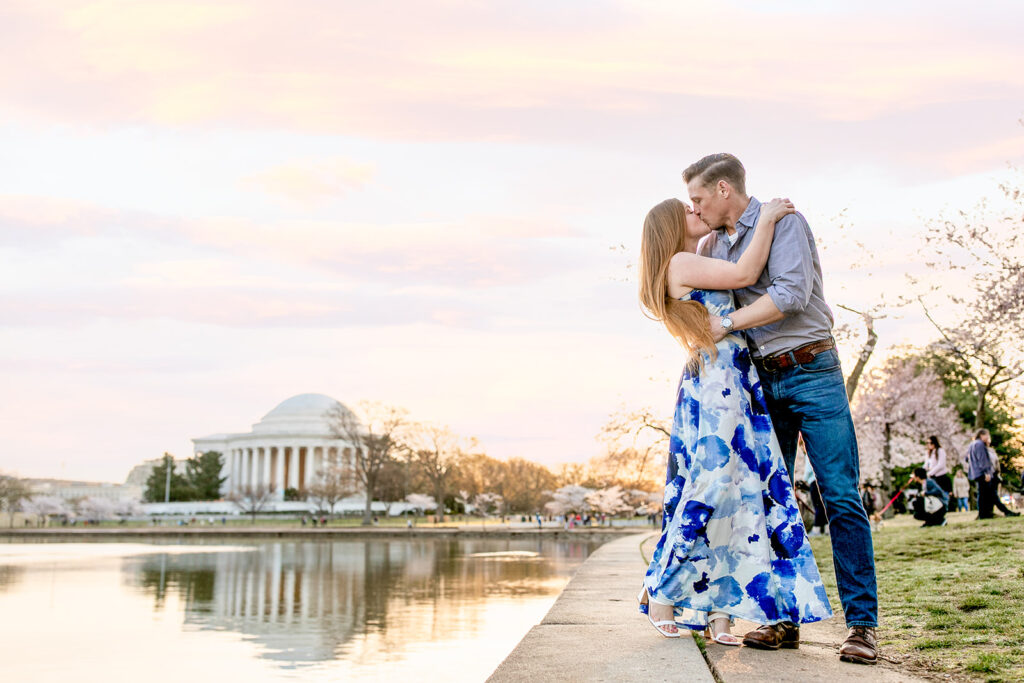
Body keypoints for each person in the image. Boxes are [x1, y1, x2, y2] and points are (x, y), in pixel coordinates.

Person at [685, 153, 877, 665]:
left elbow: (791, 294)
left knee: (839, 495)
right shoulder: (713, 244)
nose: (695, 207)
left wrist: (726, 326)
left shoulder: (785, 220)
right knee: (769, 502)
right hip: (761, 380)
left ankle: (862, 627)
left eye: (699, 198)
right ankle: (782, 618)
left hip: (813, 369)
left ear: (724, 189)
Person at [637, 193, 832, 647]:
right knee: (711, 483)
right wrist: (765, 219)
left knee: (740, 489)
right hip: (719, 378)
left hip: (733, 374)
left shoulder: (693, 259)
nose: (696, 211)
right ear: (671, 227)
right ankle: (660, 589)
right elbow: (745, 274)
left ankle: (716, 608)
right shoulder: (681, 263)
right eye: (687, 210)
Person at [966, 429, 997, 519]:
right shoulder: (979, 444)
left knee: (982, 493)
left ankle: (983, 513)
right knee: (984, 494)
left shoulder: (972, 444)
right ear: (982, 435)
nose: (988, 438)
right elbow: (982, 459)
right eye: (987, 436)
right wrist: (987, 472)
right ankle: (984, 513)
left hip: (975, 472)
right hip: (981, 472)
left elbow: (966, 458)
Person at [987, 444, 1020, 517]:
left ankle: (1000, 511)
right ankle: (1006, 511)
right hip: (991, 476)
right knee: (993, 496)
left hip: (993, 476)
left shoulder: (991, 453)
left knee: (993, 496)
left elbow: (996, 465)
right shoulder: (988, 453)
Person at [925, 436, 954, 512]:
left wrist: (930, 473)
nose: (929, 445)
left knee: (942, 494)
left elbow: (941, 465)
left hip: (940, 476)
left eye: (930, 443)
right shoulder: (929, 453)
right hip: (932, 477)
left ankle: (945, 508)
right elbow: (926, 464)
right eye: (927, 443)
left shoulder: (940, 451)